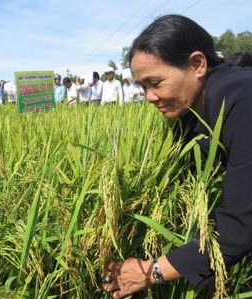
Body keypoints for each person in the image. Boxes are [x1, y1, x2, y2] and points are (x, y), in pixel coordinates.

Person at [101, 14, 252, 298]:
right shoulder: (187, 108)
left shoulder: (242, 97)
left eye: (155, 83)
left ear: (197, 64)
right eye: (142, 86)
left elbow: (239, 226)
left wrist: (149, 272)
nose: (148, 97)